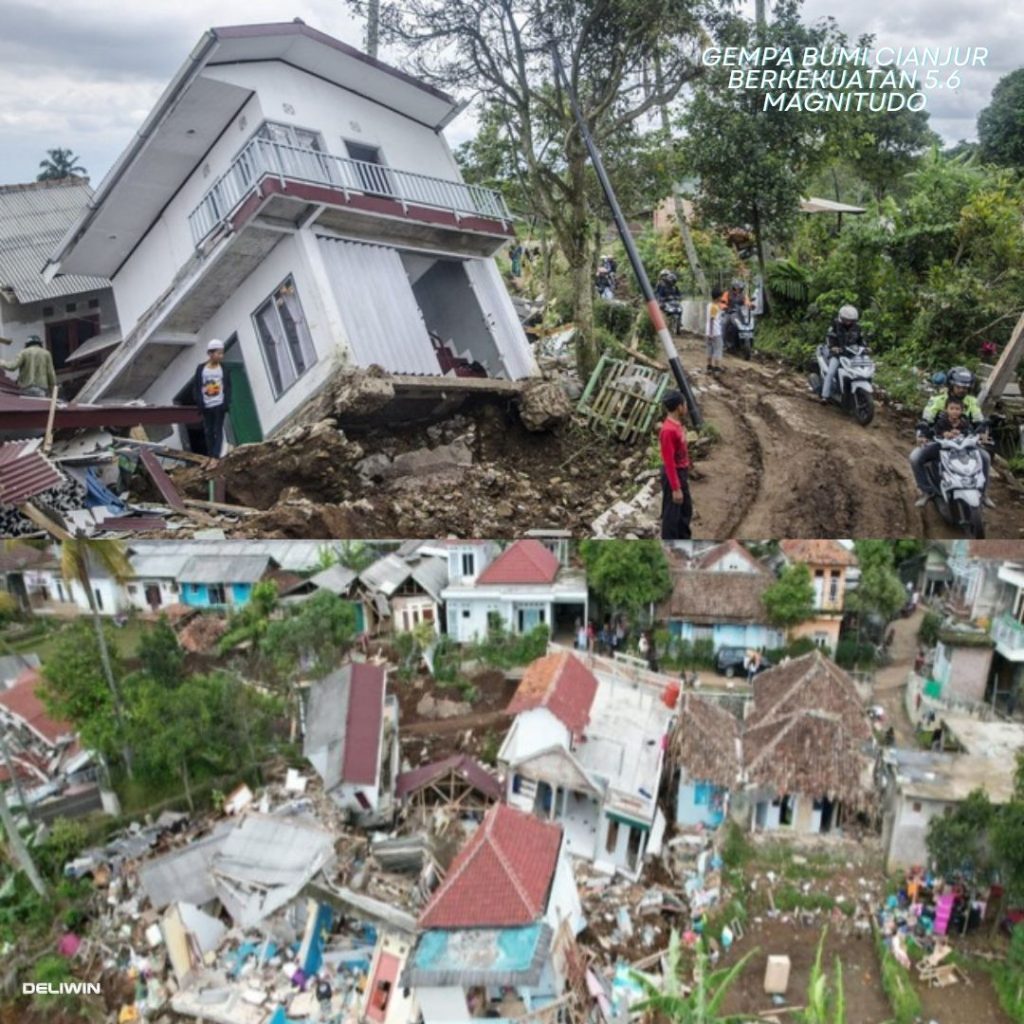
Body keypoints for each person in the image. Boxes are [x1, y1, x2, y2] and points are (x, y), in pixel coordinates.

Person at [911, 395, 992, 507]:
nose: (954, 412)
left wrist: (981, 433)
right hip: (941, 445)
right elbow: (931, 426)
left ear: (962, 410)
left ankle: (983, 493)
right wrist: (925, 434)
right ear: (946, 409)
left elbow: (974, 428)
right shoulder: (938, 406)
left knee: (985, 458)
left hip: (963, 446)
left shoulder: (967, 415)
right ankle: (926, 491)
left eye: (957, 409)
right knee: (916, 458)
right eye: (952, 409)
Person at [658, 390, 693, 540]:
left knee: (685, 511)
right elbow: (669, 461)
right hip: (674, 474)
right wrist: (676, 488)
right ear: (679, 407)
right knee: (671, 516)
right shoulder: (668, 431)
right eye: (685, 404)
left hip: (681, 473)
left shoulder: (677, 425)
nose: (686, 407)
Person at [193, 338, 232, 464]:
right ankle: (210, 454)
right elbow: (197, 386)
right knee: (208, 430)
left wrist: (226, 403)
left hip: (219, 404)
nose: (221, 356)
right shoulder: (201, 369)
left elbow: (228, 387)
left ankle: (215, 455)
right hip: (206, 405)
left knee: (218, 429)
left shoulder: (223, 369)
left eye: (222, 353)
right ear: (210, 354)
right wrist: (199, 402)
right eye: (218, 353)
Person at [820, 304, 866, 403]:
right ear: (841, 318)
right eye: (846, 320)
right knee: (831, 372)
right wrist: (833, 347)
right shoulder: (835, 325)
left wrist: (866, 347)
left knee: (862, 371)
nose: (848, 322)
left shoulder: (857, 328)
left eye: (851, 320)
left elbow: (861, 340)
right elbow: (829, 338)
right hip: (838, 354)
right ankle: (825, 396)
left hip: (852, 355)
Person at [706, 301, 723, 375]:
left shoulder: (709, 305)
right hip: (715, 332)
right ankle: (716, 369)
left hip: (708, 332)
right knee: (717, 350)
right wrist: (711, 333)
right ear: (718, 297)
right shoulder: (714, 307)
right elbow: (712, 319)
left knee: (709, 349)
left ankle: (709, 367)